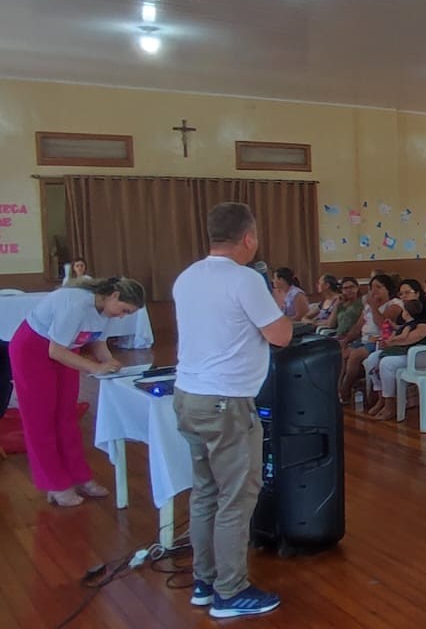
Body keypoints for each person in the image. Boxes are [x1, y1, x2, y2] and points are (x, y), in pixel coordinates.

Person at [172, 202, 293, 617]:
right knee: (237, 497)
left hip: (188, 396)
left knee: (206, 491)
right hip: (226, 403)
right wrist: (278, 302)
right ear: (248, 238)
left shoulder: (187, 277)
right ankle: (230, 591)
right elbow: (280, 336)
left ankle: (205, 582)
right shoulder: (244, 281)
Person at [9, 277, 144, 506]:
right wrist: (95, 368)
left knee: (66, 417)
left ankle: (79, 476)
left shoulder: (107, 311)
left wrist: (112, 366)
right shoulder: (74, 303)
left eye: (128, 314)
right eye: (123, 310)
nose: (122, 316)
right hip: (33, 350)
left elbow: (98, 343)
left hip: (66, 351)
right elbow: (55, 350)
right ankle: (56, 484)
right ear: (114, 296)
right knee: (41, 421)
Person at [363, 299, 426, 421]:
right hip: (406, 351)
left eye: (408, 293)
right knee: (372, 359)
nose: (403, 297)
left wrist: (391, 342)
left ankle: (391, 404)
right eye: (401, 293)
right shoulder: (408, 320)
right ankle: (382, 399)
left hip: (422, 354)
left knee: (386, 363)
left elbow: (414, 337)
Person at [337, 275, 406, 403]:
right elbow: (358, 326)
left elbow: (383, 326)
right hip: (363, 339)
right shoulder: (368, 307)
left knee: (355, 356)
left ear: (388, 289)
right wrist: (345, 341)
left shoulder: (395, 305)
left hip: (379, 341)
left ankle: (345, 390)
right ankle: (338, 388)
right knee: (342, 353)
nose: (374, 290)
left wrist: (373, 306)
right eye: (371, 287)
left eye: (378, 287)